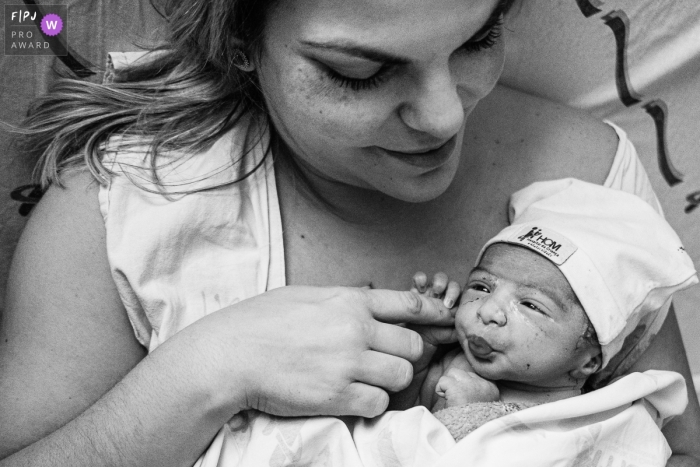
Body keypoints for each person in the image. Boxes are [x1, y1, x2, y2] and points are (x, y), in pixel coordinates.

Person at [1, 0, 698, 465]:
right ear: (239, 39)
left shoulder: (585, 177)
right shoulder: (125, 207)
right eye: (361, 72)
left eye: (477, 40)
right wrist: (207, 371)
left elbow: (676, 443)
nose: (444, 117)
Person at [410, 179, 698, 441]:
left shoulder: (592, 419)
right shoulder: (452, 366)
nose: (488, 311)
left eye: (530, 305)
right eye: (482, 287)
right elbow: (392, 434)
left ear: (589, 361)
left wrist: (474, 416)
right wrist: (419, 350)